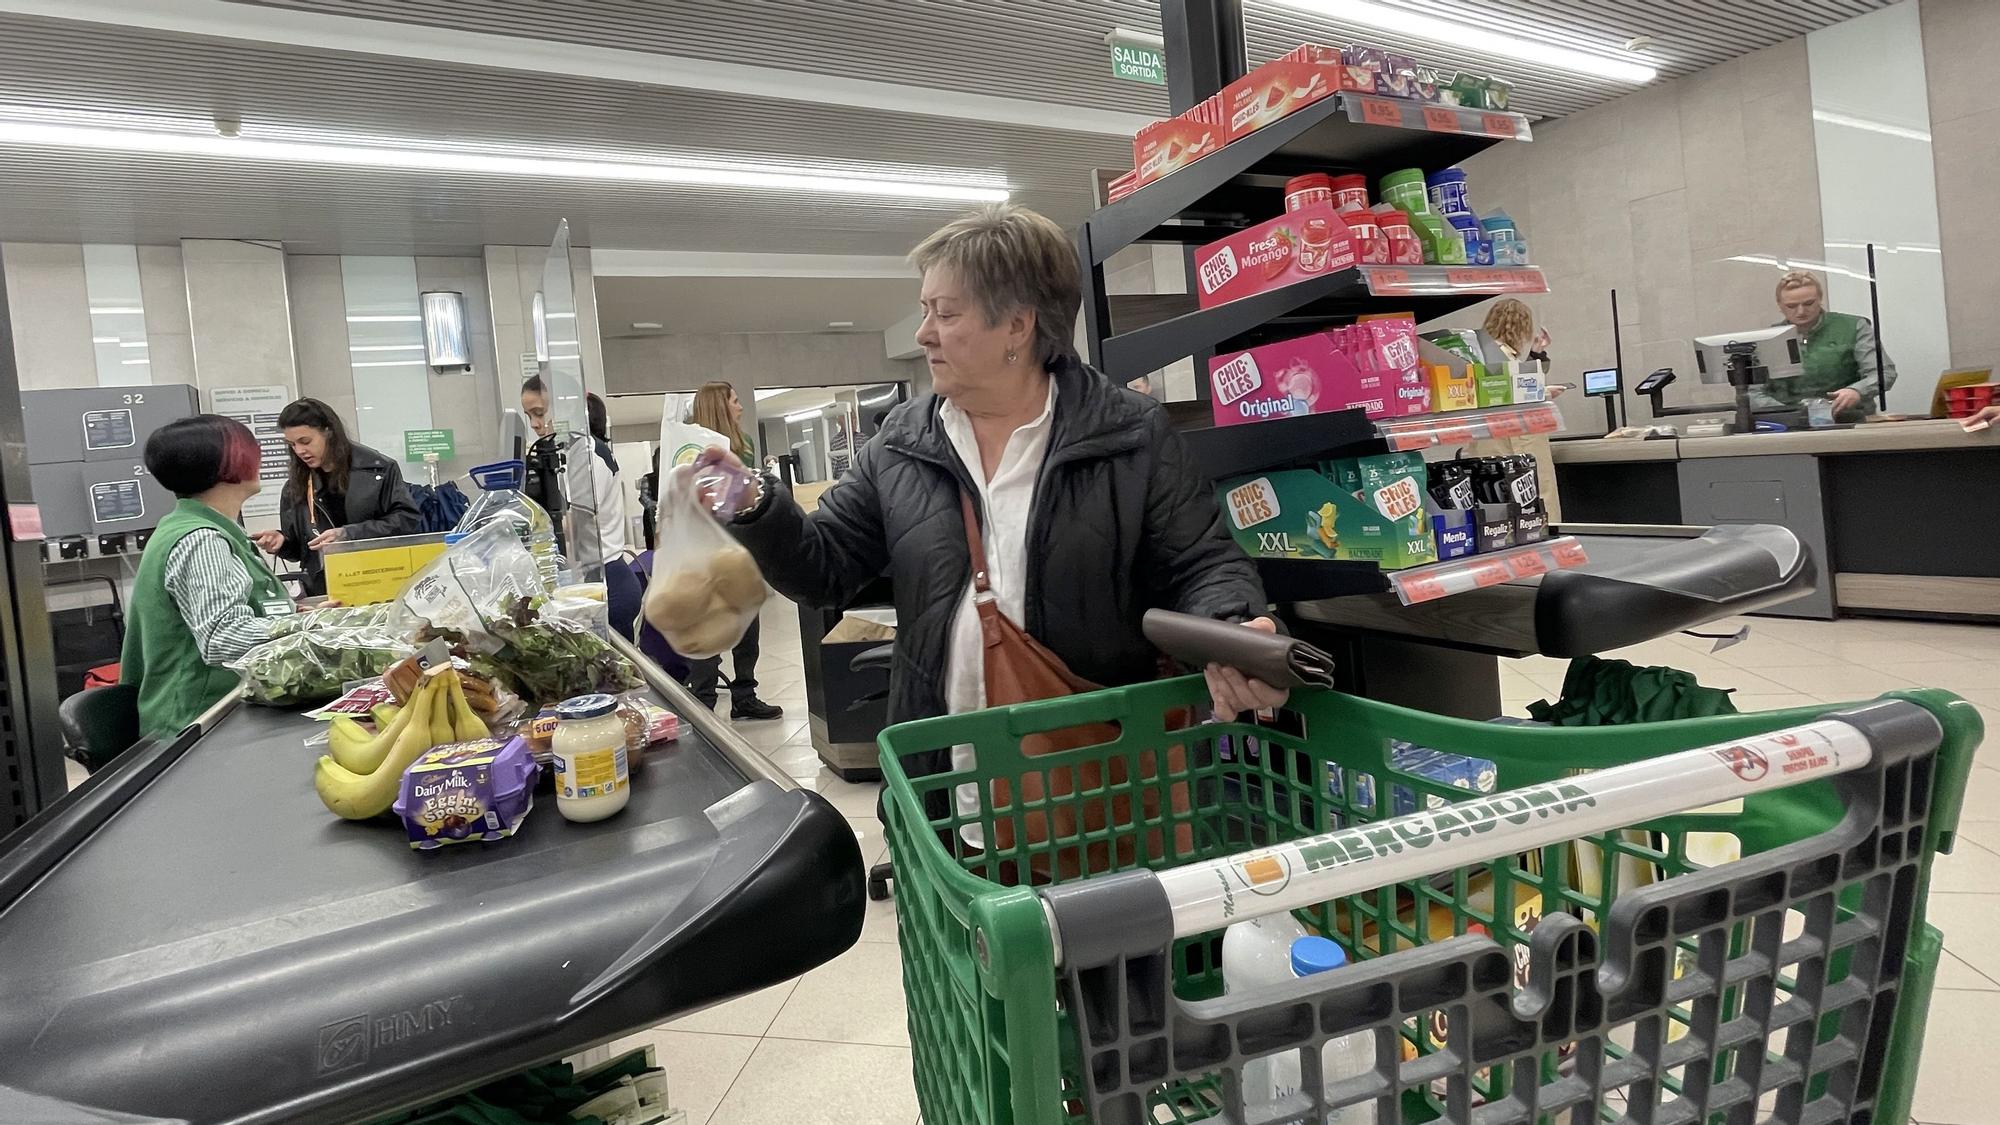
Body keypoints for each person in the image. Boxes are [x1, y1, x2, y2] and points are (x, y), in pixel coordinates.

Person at [700, 203, 1286, 759]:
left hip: (1092, 775)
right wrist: (748, 500)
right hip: (944, 774)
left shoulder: (1129, 436)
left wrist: (1232, 632)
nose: (923, 333)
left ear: (1017, 325)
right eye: (925, 310)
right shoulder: (902, 443)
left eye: (945, 313)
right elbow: (823, 569)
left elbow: (1204, 564)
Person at [125, 415, 295, 738]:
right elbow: (224, 637)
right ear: (228, 465)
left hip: (225, 713)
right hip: (200, 724)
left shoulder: (197, 527)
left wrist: (296, 613)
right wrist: (313, 630)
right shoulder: (201, 540)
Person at [250, 398, 421, 596]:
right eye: (292, 445)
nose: (299, 451)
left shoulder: (378, 470)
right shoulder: (295, 485)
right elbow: (299, 550)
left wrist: (348, 535)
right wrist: (281, 542)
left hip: (377, 579)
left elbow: (407, 520)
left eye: (305, 441)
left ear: (328, 431)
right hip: (324, 590)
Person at [685, 381, 783, 721]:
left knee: (747, 630)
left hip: (740, 548)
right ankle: (703, 707)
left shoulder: (744, 445)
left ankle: (745, 696)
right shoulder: (690, 447)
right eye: (736, 401)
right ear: (720, 406)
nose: (740, 407)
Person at [1759, 269, 1898, 420]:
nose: (1801, 311)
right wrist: (1784, 413)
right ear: (1779, 305)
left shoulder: (1853, 327)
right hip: (1787, 425)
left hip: (1850, 419)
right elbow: (1752, 392)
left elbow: (1884, 373)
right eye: (1791, 306)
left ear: (1820, 299)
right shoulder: (1769, 339)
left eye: (1809, 303)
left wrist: (1857, 391)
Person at [1476, 298, 1563, 520]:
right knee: (1537, 495)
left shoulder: (1488, 353)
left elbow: (1521, 380)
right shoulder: (1497, 356)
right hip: (1515, 441)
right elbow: (1511, 396)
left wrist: (1536, 354)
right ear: (1519, 327)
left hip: (1497, 441)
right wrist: (1545, 393)